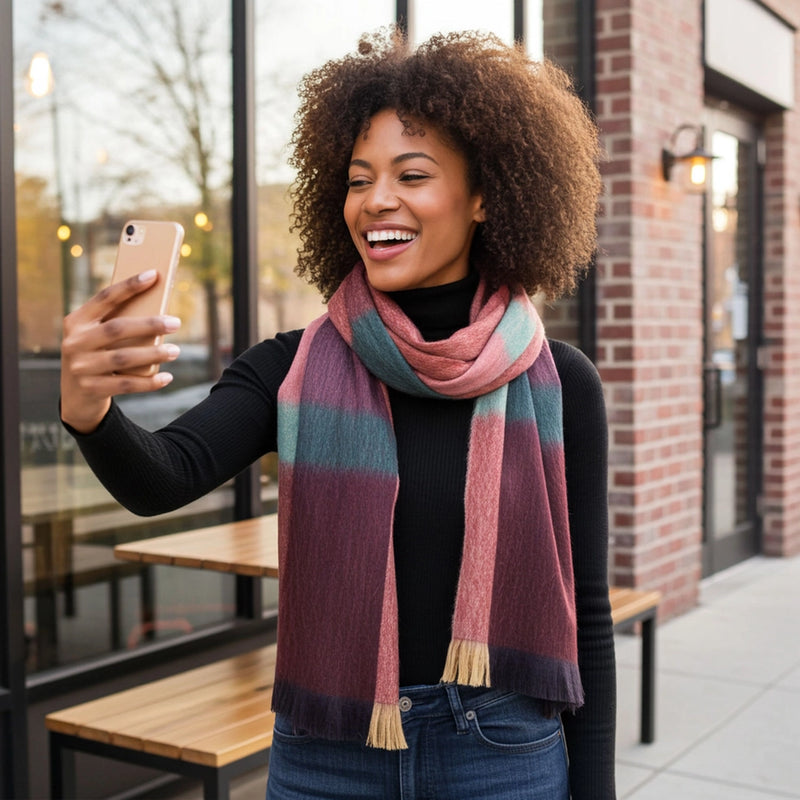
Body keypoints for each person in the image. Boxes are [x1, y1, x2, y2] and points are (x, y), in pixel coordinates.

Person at [60, 29, 614, 800]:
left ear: (487, 195)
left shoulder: (560, 386)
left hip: (500, 749)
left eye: (411, 174)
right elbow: (164, 478)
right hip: (328, 756)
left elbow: (585, 613)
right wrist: (89, 411)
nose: (376, 200)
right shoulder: (292, 366)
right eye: (359, 180)